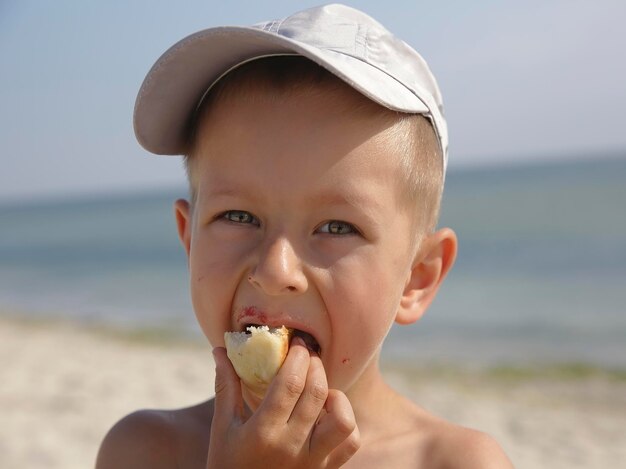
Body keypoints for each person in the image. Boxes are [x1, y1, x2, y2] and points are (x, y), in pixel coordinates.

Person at [96, 4, 513, 468]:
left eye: (336, 227)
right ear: (189, 239)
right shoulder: (146, 452)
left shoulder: (458, 463)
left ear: (417, 277)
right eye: (238, 215)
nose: (275, 271)